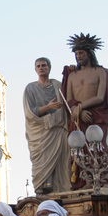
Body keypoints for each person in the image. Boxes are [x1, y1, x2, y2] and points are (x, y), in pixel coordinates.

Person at [62, 33, 108, 190]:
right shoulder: (72, 75)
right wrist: (76, 109)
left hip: (97, 114)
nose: (78, 57)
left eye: (81, 53)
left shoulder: (101, 72)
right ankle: (85, 181)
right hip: (79, 117)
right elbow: (69, 99)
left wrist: (81, 107)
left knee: (100, 147)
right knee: (81, 149)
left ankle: (103, 180)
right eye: (76, 54)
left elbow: (100, 96)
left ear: (89, 53)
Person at [24, 57, 70, 194]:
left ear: (49, 67)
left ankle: (60, 189)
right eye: (38, 66)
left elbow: (68, 101)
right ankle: (43, 186)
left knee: (62, 161)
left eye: (44, 65)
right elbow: (30, 113)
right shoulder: (30, 88)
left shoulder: (58, 85)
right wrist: (48, 107)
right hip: (40, 132)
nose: (41, 68)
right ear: (35, 69)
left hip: (58, 129)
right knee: (42, 161)